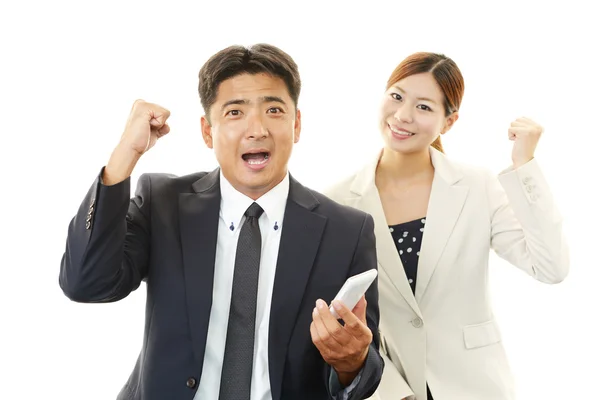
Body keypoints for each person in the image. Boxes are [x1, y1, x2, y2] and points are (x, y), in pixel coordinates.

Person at [59, 43, 384, 400]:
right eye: (235, 112)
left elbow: (363, 371)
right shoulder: (163, 203)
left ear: (297, 124)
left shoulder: (347, 231)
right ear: (207, 131)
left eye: (274, 109)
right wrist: (126, 154)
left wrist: (351, 361)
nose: (256, 128)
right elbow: (86, 283)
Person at [324, 52, 569, 400]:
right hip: (392, 390)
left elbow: (551, 267)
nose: (403, 115)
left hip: (475, 387)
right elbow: (344, 317)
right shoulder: (337, 201)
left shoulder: (477, 186)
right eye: (396, 96)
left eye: (424, 107)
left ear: (449, 121)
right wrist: (394, 393)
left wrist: (524, 166)